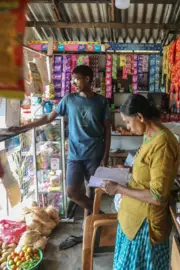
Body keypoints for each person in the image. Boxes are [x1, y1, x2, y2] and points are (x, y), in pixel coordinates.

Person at [11, 65, 111, 216]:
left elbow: (107, 131)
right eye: (72, 80)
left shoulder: (101, 102)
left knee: (92, 192)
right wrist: (23, 128)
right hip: (74, 154)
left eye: (76, 79)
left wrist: (106, 156)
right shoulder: (69, 99)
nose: (74, 83)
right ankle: (102, 216)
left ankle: (89, 226)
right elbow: (48, 117)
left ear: (87, 79)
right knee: (72, 192)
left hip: (95, 154)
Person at [101, 94, 180, 270]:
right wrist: (127, 170)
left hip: (144, 223)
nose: (127, 126)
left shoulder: (163, 144)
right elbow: (147, 170)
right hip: (132, 216)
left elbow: (157, 196)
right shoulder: (149, 135)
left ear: (140, 117)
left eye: (128, 122)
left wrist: (119, 188)